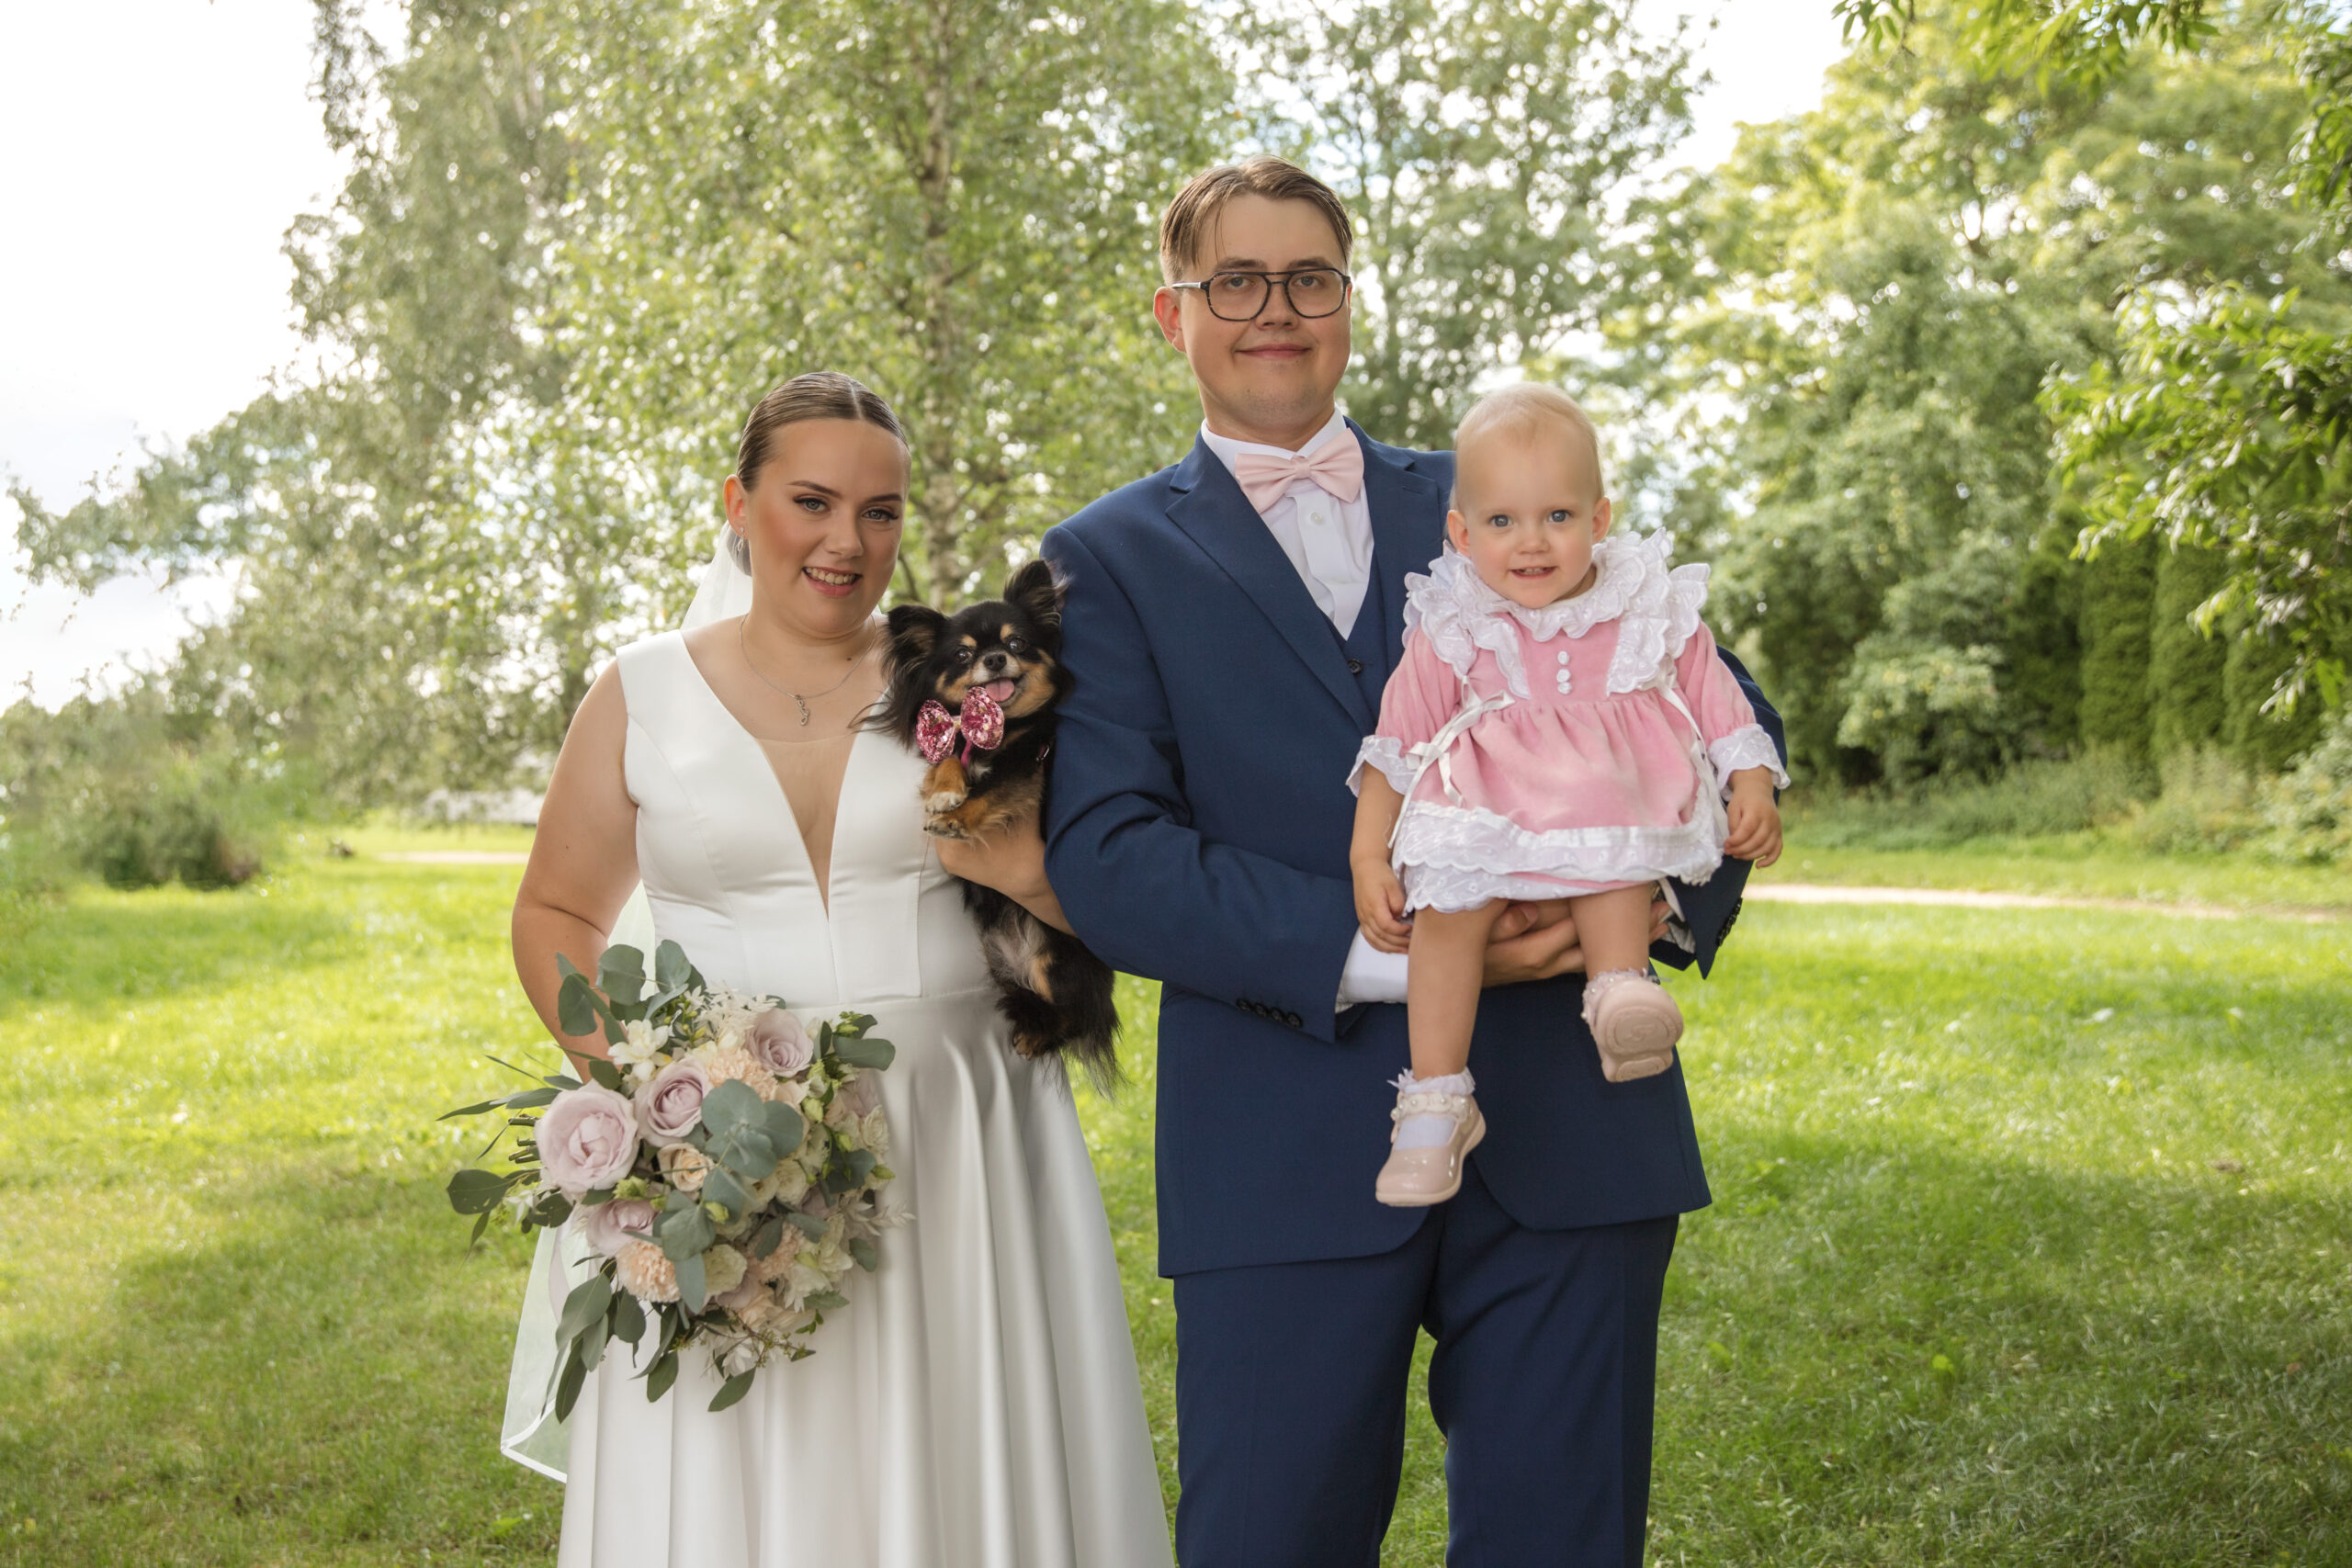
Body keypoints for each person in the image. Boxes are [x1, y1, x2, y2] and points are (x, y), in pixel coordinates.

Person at [1036, 159, 1787, 1567]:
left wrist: (1643, 903)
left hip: (1574, 1129)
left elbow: (1715, 704)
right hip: (1278, 1152)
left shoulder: (1503, 485)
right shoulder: (1102, 556)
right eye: (1236, 281)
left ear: (1348, 302)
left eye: (1309, 277)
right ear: (1172, 313)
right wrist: (1393, 949)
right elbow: (1112, 855)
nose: (1277, 309)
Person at [507, 371, 1171, 1568]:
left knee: (962, 1444)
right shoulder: (640, 691)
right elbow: (555, 909)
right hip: (725, 1144)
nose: (847, 541)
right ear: (739, 502)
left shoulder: (961, 687)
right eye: (811, 501)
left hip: (962, 1130)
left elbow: (1091, 905)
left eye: (880, 511)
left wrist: (1022, 863)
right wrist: (659, 1112)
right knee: (747, 1447)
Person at [1348, 383, 1787, 1208]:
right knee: (1449, 910)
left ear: (1599, 518)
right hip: (1482, 810)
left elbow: (1716, 694)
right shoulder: (1456, 618)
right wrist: (1369, 851)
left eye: (1557, 516)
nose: (1532, 542)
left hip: (1607, 803)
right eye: (1503, 521)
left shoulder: (1642, 600)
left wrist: (1752, 780)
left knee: (1613, 852)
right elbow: (1397, 739)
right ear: (1462, 533)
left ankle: (1620, 992)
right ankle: (1436, 1098)